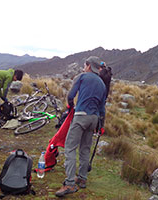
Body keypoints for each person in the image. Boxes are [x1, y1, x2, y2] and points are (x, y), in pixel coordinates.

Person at [55, 56, 107, 197]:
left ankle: (70, 183)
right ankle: (82, 178)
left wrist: (70, 105)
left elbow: (71, 95)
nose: (84, 67)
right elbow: (102, 107)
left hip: (81, 116)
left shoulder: (82, 77)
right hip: (94, 119)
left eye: (85, 64)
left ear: (89, 65)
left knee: (70, 147)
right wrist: (101, 124)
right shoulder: (102, 84)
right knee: (85, 148)